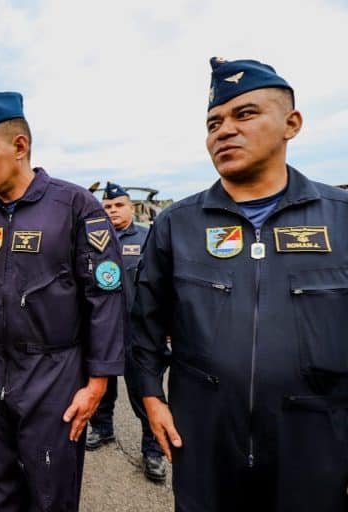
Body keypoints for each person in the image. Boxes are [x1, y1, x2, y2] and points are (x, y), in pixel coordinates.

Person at [131, 57, 348, 511]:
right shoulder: (177, 224)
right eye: (214, 122)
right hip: (205, 442)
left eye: (244, 114)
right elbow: (145, 329)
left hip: (315, 446)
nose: (224, 130)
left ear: (292, 123)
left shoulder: (341, 218)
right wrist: (150, 398)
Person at [0, 92, 125, 511]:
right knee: (0, 484)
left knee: (50, 489)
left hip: (55, 371)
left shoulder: (73, 206)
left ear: (20, 147)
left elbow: (104, 296)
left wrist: (98, 382)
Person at [85, 182, 167, 482]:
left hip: (137, 329)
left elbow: (161, 283)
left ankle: (154, 450)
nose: (112, 211)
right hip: (102, 328)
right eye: (107, 207)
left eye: (118, 205)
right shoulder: (93, 239)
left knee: (144, 391)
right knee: (101, 383)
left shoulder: (148, 237)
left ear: (131, 207)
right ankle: (102, 429)